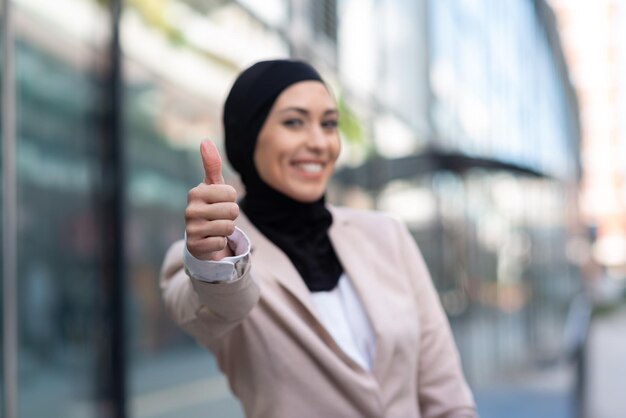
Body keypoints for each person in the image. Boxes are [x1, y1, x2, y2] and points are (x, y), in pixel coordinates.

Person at [160, 59, 476, 418]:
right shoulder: (214, 255)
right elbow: (211, 311)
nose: (319, 142)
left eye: (329, 124)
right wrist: (213, 260)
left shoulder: (387, 236)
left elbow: (446, 392)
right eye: (294, 122)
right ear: (248, 133)